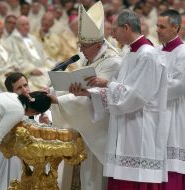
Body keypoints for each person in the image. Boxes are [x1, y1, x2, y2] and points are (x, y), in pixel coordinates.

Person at [70, 10, 168, 190]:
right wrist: (89, 93)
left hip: (140, 127)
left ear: (126, 27)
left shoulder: (147, 55)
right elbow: (120, 89)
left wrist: (107, 83)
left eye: (114, 30)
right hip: (126, 125)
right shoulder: (130, 53)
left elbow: (136, 96)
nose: (112, 34)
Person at [50, 2, 121, 190]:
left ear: (98, 45)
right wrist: (53, 92)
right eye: (80, 44)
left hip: (97, 127)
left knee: (92, 175)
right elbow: (77, 85)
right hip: (82, 124)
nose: (80, 49)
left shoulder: (112, 62)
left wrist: (59, 100)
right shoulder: (87, 56)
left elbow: (97, 96)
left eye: (84, 46)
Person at [0, 72, 51, 190]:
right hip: (12, 153)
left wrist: (45, 124)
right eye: (19, 88)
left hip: (33, 154)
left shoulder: (35, 101)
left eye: (25, 85)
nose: (25, 90)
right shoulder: (10, 106)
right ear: (11, 92)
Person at [156, 9, 185, 190]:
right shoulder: (156, 50)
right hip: (156, 112)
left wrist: (151, 85)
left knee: (172, 164)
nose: (158, 30)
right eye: (157, 26)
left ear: (175, 27)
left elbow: (178, 87)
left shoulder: (183, 54)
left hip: (174, 113)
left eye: (162, 27)